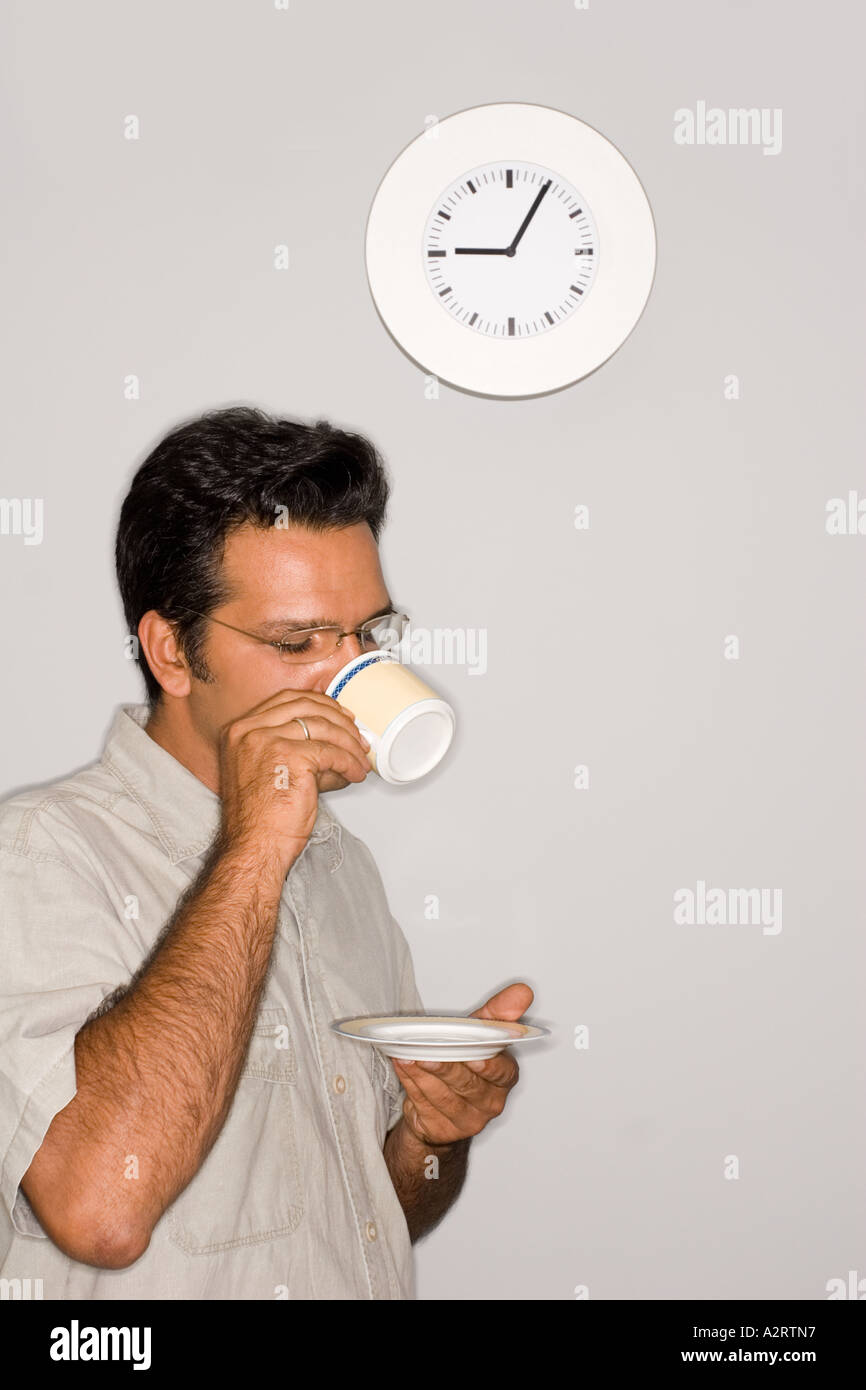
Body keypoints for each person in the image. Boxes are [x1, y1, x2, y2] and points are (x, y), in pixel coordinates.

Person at [0, 404, 532, 1299]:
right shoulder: (38, 857)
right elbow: (98, 1211)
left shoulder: (341, 865)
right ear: (171, 651)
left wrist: (431, 1140)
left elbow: (372, 1216)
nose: (350, 675)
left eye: (367, 634)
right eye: (298, 643)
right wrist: (253, 849)